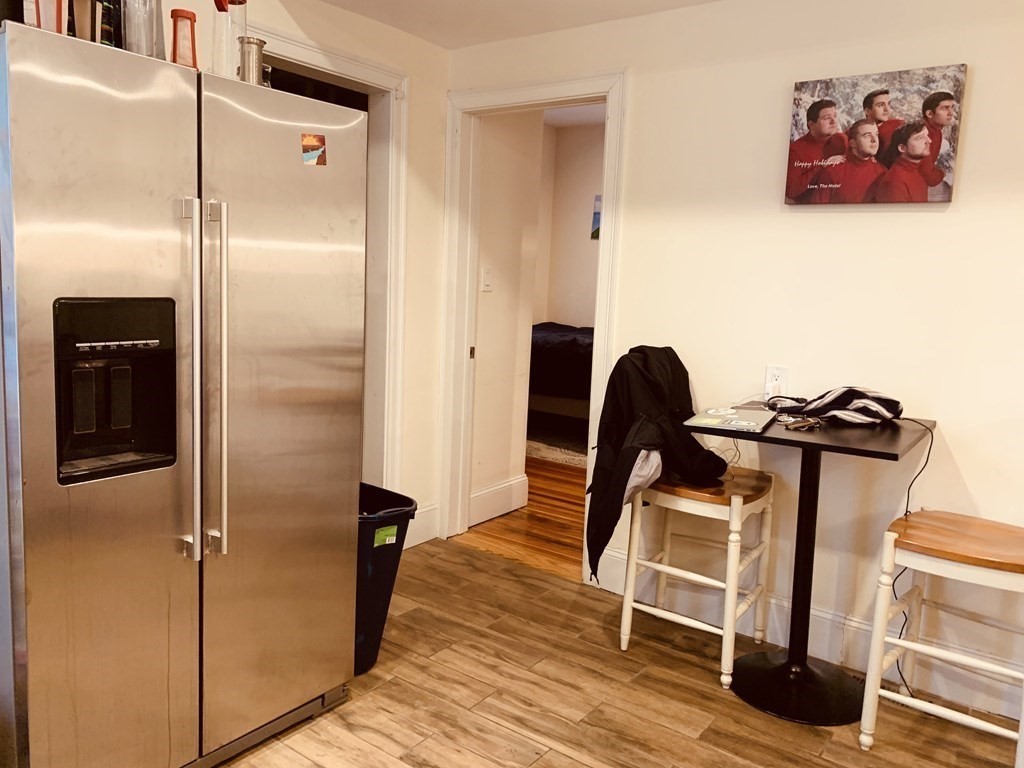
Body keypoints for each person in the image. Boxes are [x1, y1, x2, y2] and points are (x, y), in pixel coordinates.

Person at [785, 99, 847, 203]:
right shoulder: (796, 150)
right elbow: (792, 191)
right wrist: (823, 165)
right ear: (811, 125)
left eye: (835, 116)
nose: (834, 121)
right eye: (827, 118)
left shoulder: (841, 141)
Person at [809, 119, 885, 204]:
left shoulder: (882, 173)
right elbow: (816, 211)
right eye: (867, 135)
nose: (874, 140)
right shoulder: (833, 171)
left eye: (876, 134)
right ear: (852, 143)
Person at [874, 121, 930, 203]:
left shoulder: (914, 173)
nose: (929, 141)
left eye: (927, 136)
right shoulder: (895, 182)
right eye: (920, 138)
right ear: (902, 148)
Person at [918, 90, 957, 188]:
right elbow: (928, 175)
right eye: (945, 108)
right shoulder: (923, 133)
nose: (950, 113)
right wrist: (942, 173)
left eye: (952, 107)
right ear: (930, 114)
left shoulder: (936, 131)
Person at [862, 88, 904, 158]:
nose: (887, 109)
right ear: (867, 111)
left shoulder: (898, 125)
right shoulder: (857, 131)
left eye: (888, 104)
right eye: (880, 105)